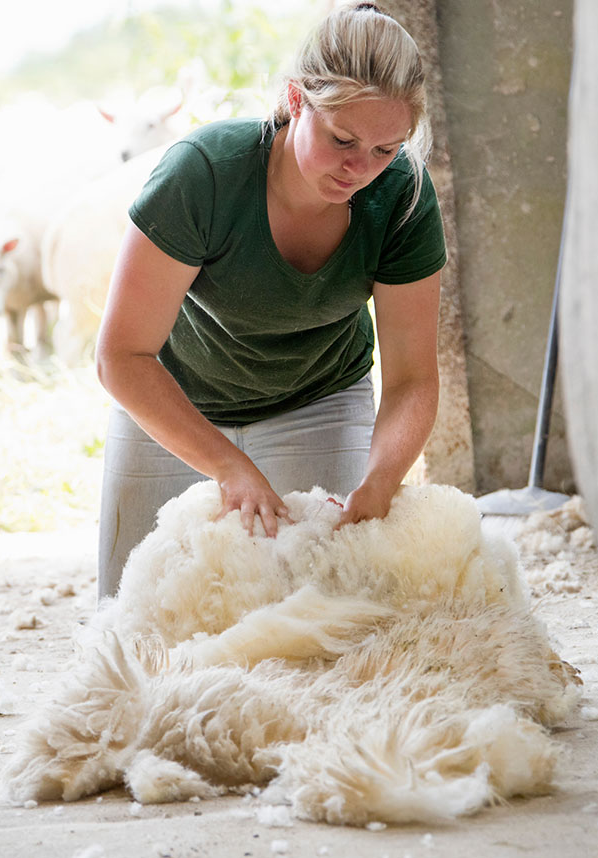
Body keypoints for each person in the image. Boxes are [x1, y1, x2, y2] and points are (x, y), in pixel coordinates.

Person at [95, 1, 447, 601]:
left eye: (385, 149)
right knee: (139, 615)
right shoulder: (204, 173)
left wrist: (381, 481)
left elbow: (413, 378)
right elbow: (120, 357)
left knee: (325, 611)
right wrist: (229, 467)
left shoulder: (402, 195)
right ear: (295, 100)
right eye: (342, 139)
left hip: (318, 397)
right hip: (178, 399)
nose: (359, 169)